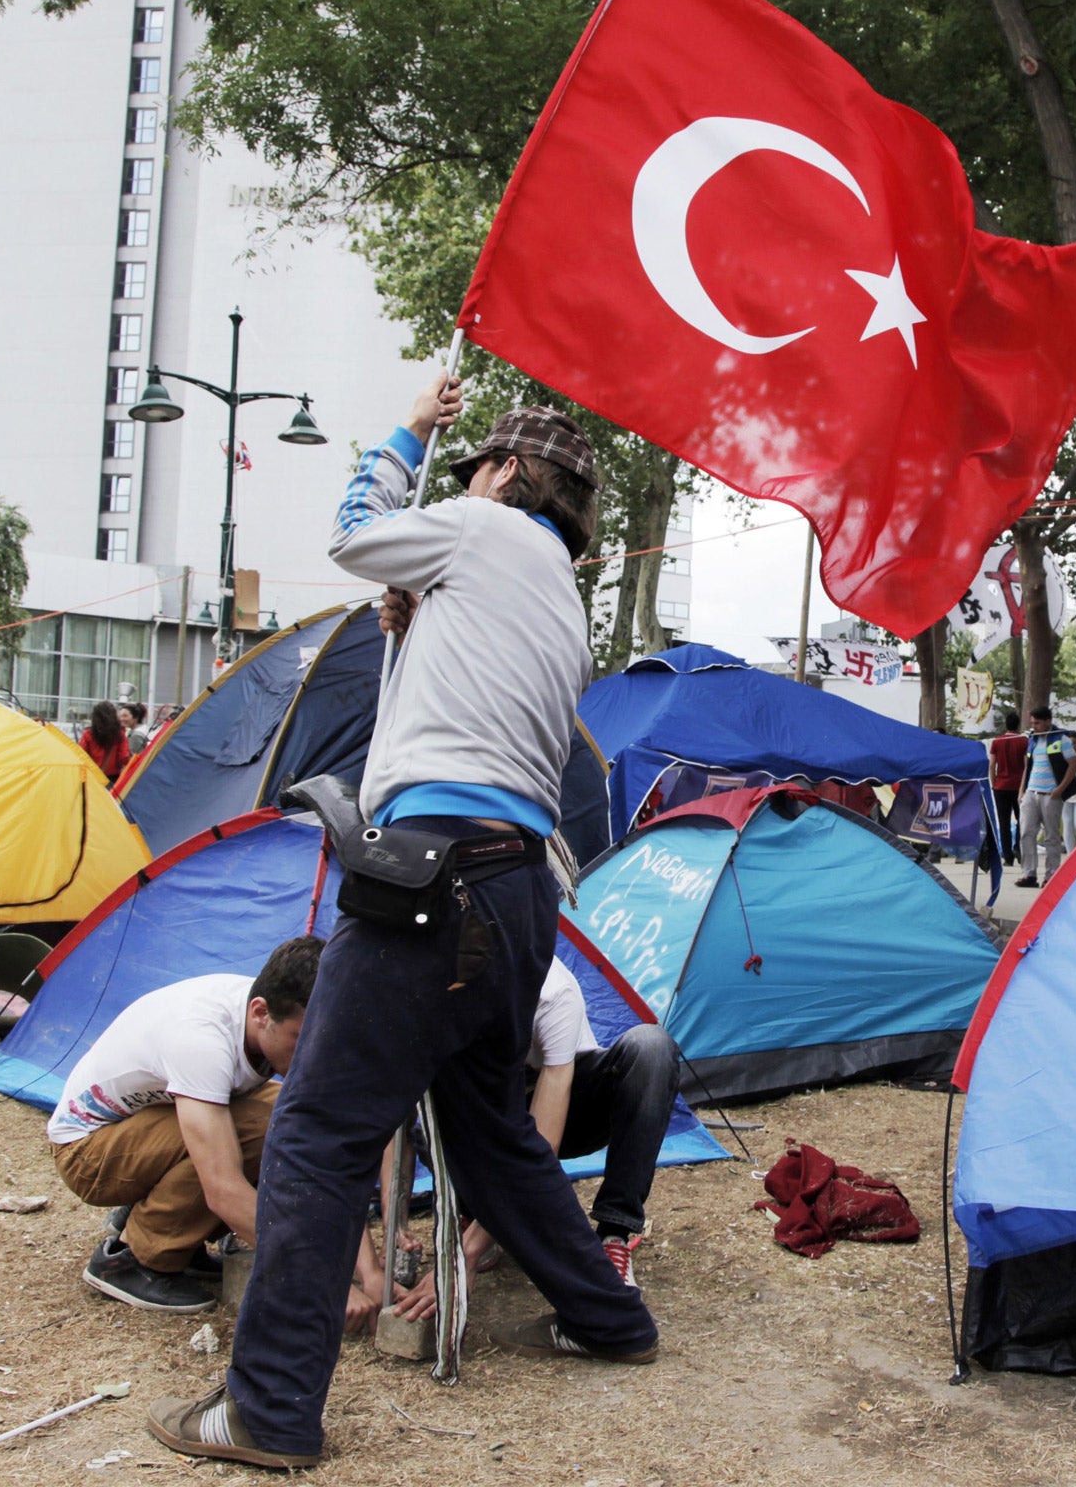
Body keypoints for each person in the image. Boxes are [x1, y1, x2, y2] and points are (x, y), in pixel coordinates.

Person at [148, 377, 656, 1470]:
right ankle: (610, 1320)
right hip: (522, 891)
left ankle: (269, 1410)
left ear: (506, 475)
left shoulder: (480, 528)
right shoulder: (558, 595)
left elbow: (353, 537)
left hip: (436, 875)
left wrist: (411, 432)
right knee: (493, 1136)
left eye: (477, 463)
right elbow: (454, 683)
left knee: (320, 1134)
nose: (468, 476)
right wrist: (416, 614)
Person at [50, 939, 325, 1316]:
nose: (313, 1054)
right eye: (302, 1039)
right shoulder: (202, 1038)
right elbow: (223, 1188)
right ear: (260, 1013)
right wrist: (317, 1276)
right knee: (249, 1131)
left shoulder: (272, 1003)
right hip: (87, 1152)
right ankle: (133, 1259)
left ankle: (178, 1234)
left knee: (289, 1115)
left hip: (146, 1126)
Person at [396, 957, 678, 1310]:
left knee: (651, 1048)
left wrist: (464, 1255)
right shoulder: (433, 991)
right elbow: (397, 1110)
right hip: (488, 1123)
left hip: (568, 1109)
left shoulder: (553, 992)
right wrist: (398, 1226)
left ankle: (613, 1236)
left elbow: (542, 1145)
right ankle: (476, 1215)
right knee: (428, 1125)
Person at [1015, 707, 1076, 888]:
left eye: (1038, 723)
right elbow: (1027, 767)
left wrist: (1060, 789)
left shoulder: (1062, 739)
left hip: (1050, 795)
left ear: (1048, 721)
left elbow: (1073, 765)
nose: (1034, 726)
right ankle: (1029, 873)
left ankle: (1051, 875)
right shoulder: (1032, 740)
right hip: (1031, 793)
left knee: (1051, 836)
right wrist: (1022, 790)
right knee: (1026, 833)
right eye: (1032, 723)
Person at [987, 713, 1025, 859]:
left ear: (1006, 724)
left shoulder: (997, 742)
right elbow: (1026, 764)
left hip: (1001, 786)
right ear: (1018, 725)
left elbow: (992, 765)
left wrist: (993, 782)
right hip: (1019, 786)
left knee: (1003, 821)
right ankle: (1018, 848)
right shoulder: (1023, 741)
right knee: (1022, 819)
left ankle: (1007, 855)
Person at [80, 700, 130, 783]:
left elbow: (81, 755)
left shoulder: (88, 734)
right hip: (112, 779)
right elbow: (124, 757)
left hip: (92, 777)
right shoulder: (120, 735)